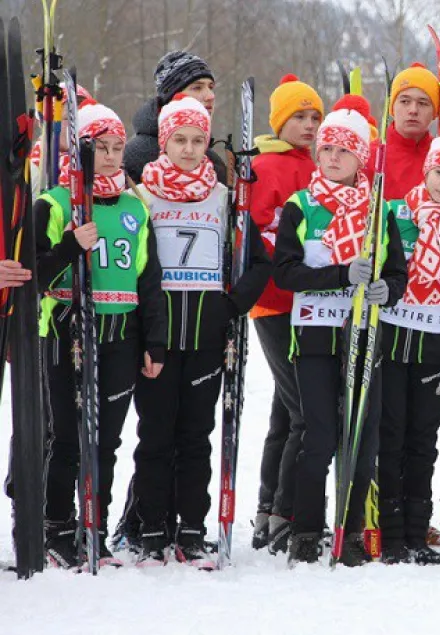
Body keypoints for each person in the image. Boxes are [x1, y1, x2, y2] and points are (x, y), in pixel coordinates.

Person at [130, 94, 271, 568]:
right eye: (179, 141)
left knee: (196, 437)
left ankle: (191, 528)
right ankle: (151, 530)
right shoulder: (141, 196)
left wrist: (231, 306)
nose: (189, 150)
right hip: (156, 339)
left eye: (197, 141)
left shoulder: (225, 197)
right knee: (154, 437)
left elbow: (258, 260)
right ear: (163, 144)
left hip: (207, 339)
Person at [272, 96, 407, 565]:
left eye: (343, 151)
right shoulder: (301, 206)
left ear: (361, 158)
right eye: (326, 148)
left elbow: (398, 273)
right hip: (314, 338)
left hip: (364, 341)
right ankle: (305, 531)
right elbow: (285, 274)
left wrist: (384, 290)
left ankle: (350, 531)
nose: (332, 157)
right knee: (321, 438)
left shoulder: (380, 210)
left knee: (362, 440)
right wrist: (342, 275)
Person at [35, 98, 166, 569]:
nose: (111, 157)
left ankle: (94, 525)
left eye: (116, 147)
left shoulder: (135, 207)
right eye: (100, 148)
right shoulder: (54, 203)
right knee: (67, 438)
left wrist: (155, 342)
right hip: (68, 329)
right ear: (80, 152)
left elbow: (148, 279)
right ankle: (57, 528)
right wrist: (72, 244)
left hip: (120, 333)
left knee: (105, 440)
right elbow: (32, 274)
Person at [373, 115, 440, 566]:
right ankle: (391, 536)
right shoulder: (396, 215)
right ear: (427, 170)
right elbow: (379, 269)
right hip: (394, 340)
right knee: (391, 436)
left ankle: (417, 535)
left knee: (423, 440)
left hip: (435, 346)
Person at [247, 74, 324, 552]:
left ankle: (266, 509)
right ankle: (284, 511)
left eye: (315, 116)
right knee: (304, 412)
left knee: (285, 409)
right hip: (276, 302)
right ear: (279, 120)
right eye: (300, 116)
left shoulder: (313, 166)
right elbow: (259, 233)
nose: (310, 124)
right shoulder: (270, 167)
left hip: (310, 304)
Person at [123, 51, 228, 184]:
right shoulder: (133, 158)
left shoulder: (214, 163)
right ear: (172, 97)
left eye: (211, 87)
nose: (210, 96)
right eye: (197, 88)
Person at [381, 63, 440, 200]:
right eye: (405, 101)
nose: (413, 110)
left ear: (435, 112)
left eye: (423, 103)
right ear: (392, 107)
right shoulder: (372, 156)